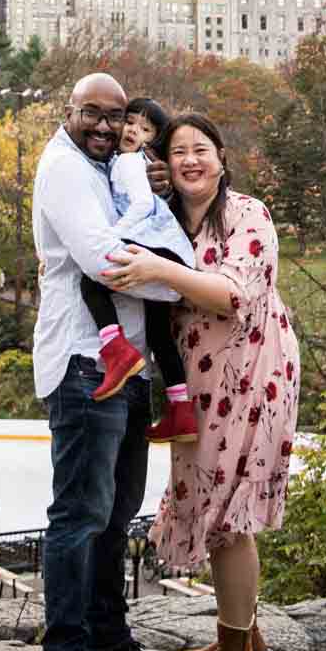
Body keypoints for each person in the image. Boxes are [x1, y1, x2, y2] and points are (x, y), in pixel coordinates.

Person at [101, 111, 299, 651]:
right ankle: (242, 635)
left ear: (221, 157)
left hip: (254, 377)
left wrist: (163, 268)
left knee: (227, 516)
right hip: (200, 387)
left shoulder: (248, 214)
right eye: (179, 151)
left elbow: (232, 293)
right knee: (210, 503)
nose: (190, 160)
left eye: (201, 149)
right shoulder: (163, 218)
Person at [31, 73, 189, 651]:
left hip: (126, 368)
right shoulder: (65, 169)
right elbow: (102, 262)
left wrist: (159, 260)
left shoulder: (110, 167)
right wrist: (178, 279)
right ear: (67, 112)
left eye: (114, 115)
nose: (103, 125)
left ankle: (107, 645)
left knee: (116, 512)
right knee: (79, 516)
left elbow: (135, 249)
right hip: (81, 364)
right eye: (90, 113)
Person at [76, 95, 199, 444]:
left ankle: (115, 350)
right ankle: (181, 410)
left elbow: (144, 204)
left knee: (93, 279)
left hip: (155, 246)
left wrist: (113, 237)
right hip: (172, 252)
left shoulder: (130, 162)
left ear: (154, 139)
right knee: (159, 333)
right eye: (130, 122)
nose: (133, 131)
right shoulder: (128, 161)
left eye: (145, 129)